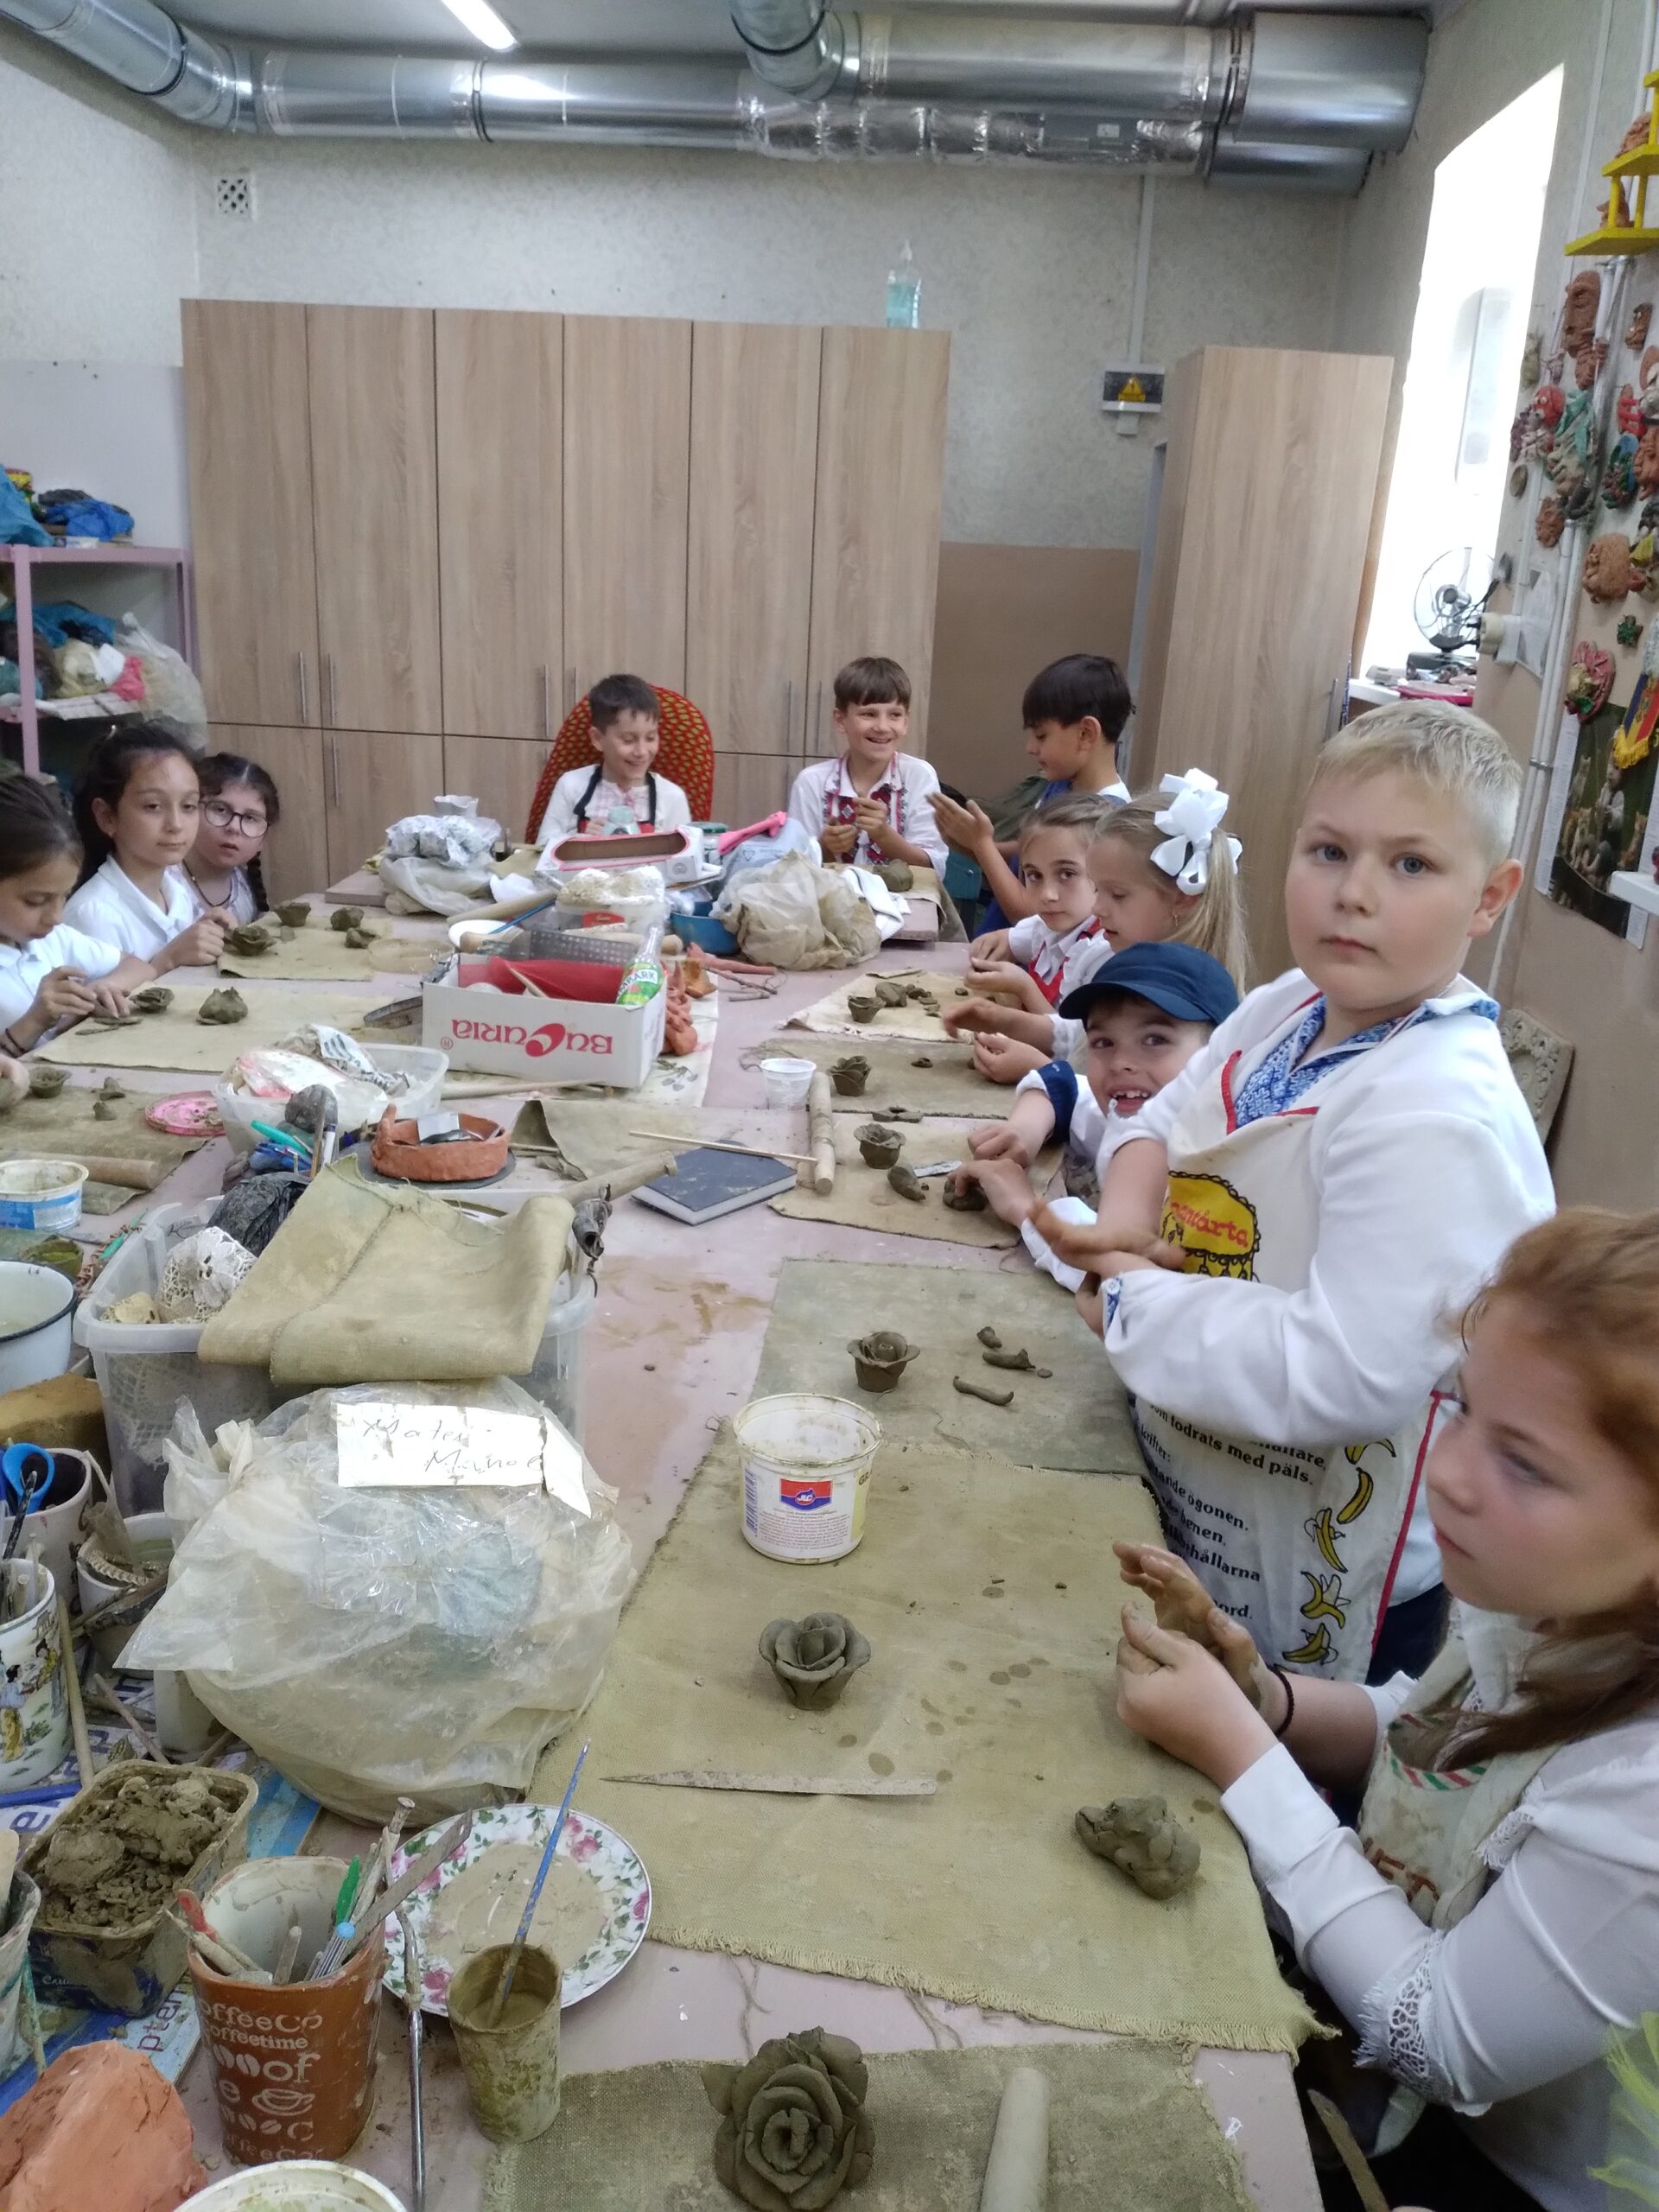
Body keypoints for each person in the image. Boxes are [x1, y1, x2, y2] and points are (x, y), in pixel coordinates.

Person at [1111, 1208, 1659, 2212]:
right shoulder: (1561, 1599)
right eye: (1464, 1409)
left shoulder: (1643, 1792)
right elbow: (1443, 1743)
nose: (1444, 1471)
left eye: (1525, 1462)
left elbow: (1440, 2038)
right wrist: (1267, 1699)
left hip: (1511, 2171)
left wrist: (1241, 1757)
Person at [1038, 702, 1554, 1686]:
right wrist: (1124, 1228)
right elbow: (1156, 1123)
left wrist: (1131, 1303)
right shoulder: (1286, 1005)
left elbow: (1340, 1372)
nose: (1353, 894)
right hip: (1209, 1476)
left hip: (1329, 1550)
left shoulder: (1439, 1111)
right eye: (1329, 851)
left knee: (1270, 1746)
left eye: (1411, 864)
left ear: (1489, 897)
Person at [955, 943, 1239, 1287]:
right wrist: (1024, 1131)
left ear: (1223, 1055)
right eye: (1103, 1042)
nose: (1121, 1062)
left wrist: (1026, 1209)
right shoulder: (1140, 1113)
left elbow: (1131, 1281)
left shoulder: (1220, 1166)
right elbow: (1065, 1085)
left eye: (1154, 1040)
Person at [951, 769, 1249, 1083]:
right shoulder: (1134, 962)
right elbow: (1083, 1035)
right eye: (1097, 888)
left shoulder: (1191, 1004)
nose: (1097, 908)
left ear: (1182, 900)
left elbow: (1137, 1099)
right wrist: (1002, 1020)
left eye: (1117, 895)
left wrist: (1044, 1072)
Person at [930, 652, 1132, 931]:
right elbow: (1026, 855)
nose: (1030, 748)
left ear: (1086, 733)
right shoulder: (1061, 786)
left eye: (1041, 736)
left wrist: (982, 844)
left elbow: (1032, 916)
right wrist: (968, 842)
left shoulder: (1106, 821)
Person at [0, 774, 152, 1059]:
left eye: (64, 896)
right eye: (36, 901)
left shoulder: (52, 940)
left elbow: (139, 967)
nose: (57, 916)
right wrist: (32, 1023)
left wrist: (103, 989)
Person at [63, 726, 229, 969]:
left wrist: (211, 936)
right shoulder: (93, 915)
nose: (176, 825)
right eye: (153, 806)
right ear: (107, 817)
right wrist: (166, 961)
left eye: (188, 806)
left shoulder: (176, 892)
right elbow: (95, 996)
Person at [786, 657, 949, 874]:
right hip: (831, 894)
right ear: (841, 720)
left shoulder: (919, 776)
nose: (882, 727)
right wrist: (825, 847)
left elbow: (933, 869)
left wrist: (884, 835)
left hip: (904, 897)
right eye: (869, 714)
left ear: (905, 722)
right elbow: (793, 868)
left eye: (895, 715)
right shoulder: (811, 782)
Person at [536, 673, 694, 844]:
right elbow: (541, 849)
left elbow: (686, 855)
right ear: (597, 739)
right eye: (628, 740)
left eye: (650, 738)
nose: (641, 752)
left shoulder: (671, 797)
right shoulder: (571, 785)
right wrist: (578, 842)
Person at [184, 753, 279, 923]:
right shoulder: (161, 884)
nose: (234, 827)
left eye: (250, 818)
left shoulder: (245, 886)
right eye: (220, 810)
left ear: (263, 839)